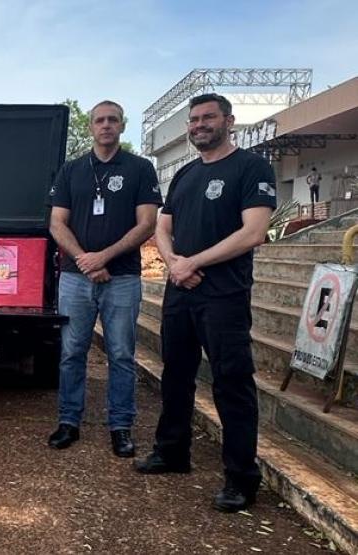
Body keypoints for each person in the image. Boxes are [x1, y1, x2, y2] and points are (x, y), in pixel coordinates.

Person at [135, 93, 275, 513]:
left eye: (207, 118)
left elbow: (253, 233)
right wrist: (175, 262)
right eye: (193, 120)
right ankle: (172, 452)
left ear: (228, 121)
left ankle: (241, 478)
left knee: (232, 384)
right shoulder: (185, 175)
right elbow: (162, 226)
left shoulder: (251, 168)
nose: (198, 125)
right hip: (181, 292)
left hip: (224, 297)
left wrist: (192, 262)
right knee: (176, 375)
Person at [46, 100, 162, 458]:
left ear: (122, 126)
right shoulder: (72, 170)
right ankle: (68, 421)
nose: (106, 125)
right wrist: (85, 261)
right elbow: (56, 223)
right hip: (75, 278)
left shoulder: (140, 169)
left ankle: (121, 427)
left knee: (122, 354)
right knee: (71, 352)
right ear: (93, 127)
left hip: (122, 277)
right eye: (100, 120)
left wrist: (104, 257)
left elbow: (147, 223)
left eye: (113, 120)